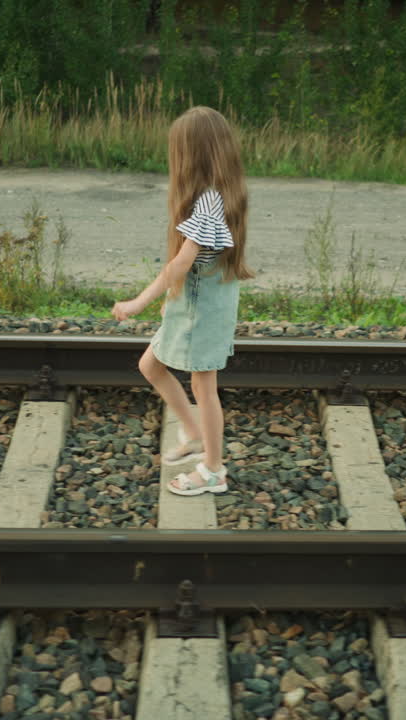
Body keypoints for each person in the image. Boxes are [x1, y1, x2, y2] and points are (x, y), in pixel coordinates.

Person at [112, 106, 253, 496]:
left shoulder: (209, 202)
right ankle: (193, 434)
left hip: (202, 309)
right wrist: (173, 300)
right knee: (150, 365)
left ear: (191, 154)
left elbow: (180, 264)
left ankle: (213, 469)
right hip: (196, 301)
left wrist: (138, 301)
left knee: (204, 387)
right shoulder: (221, 193)